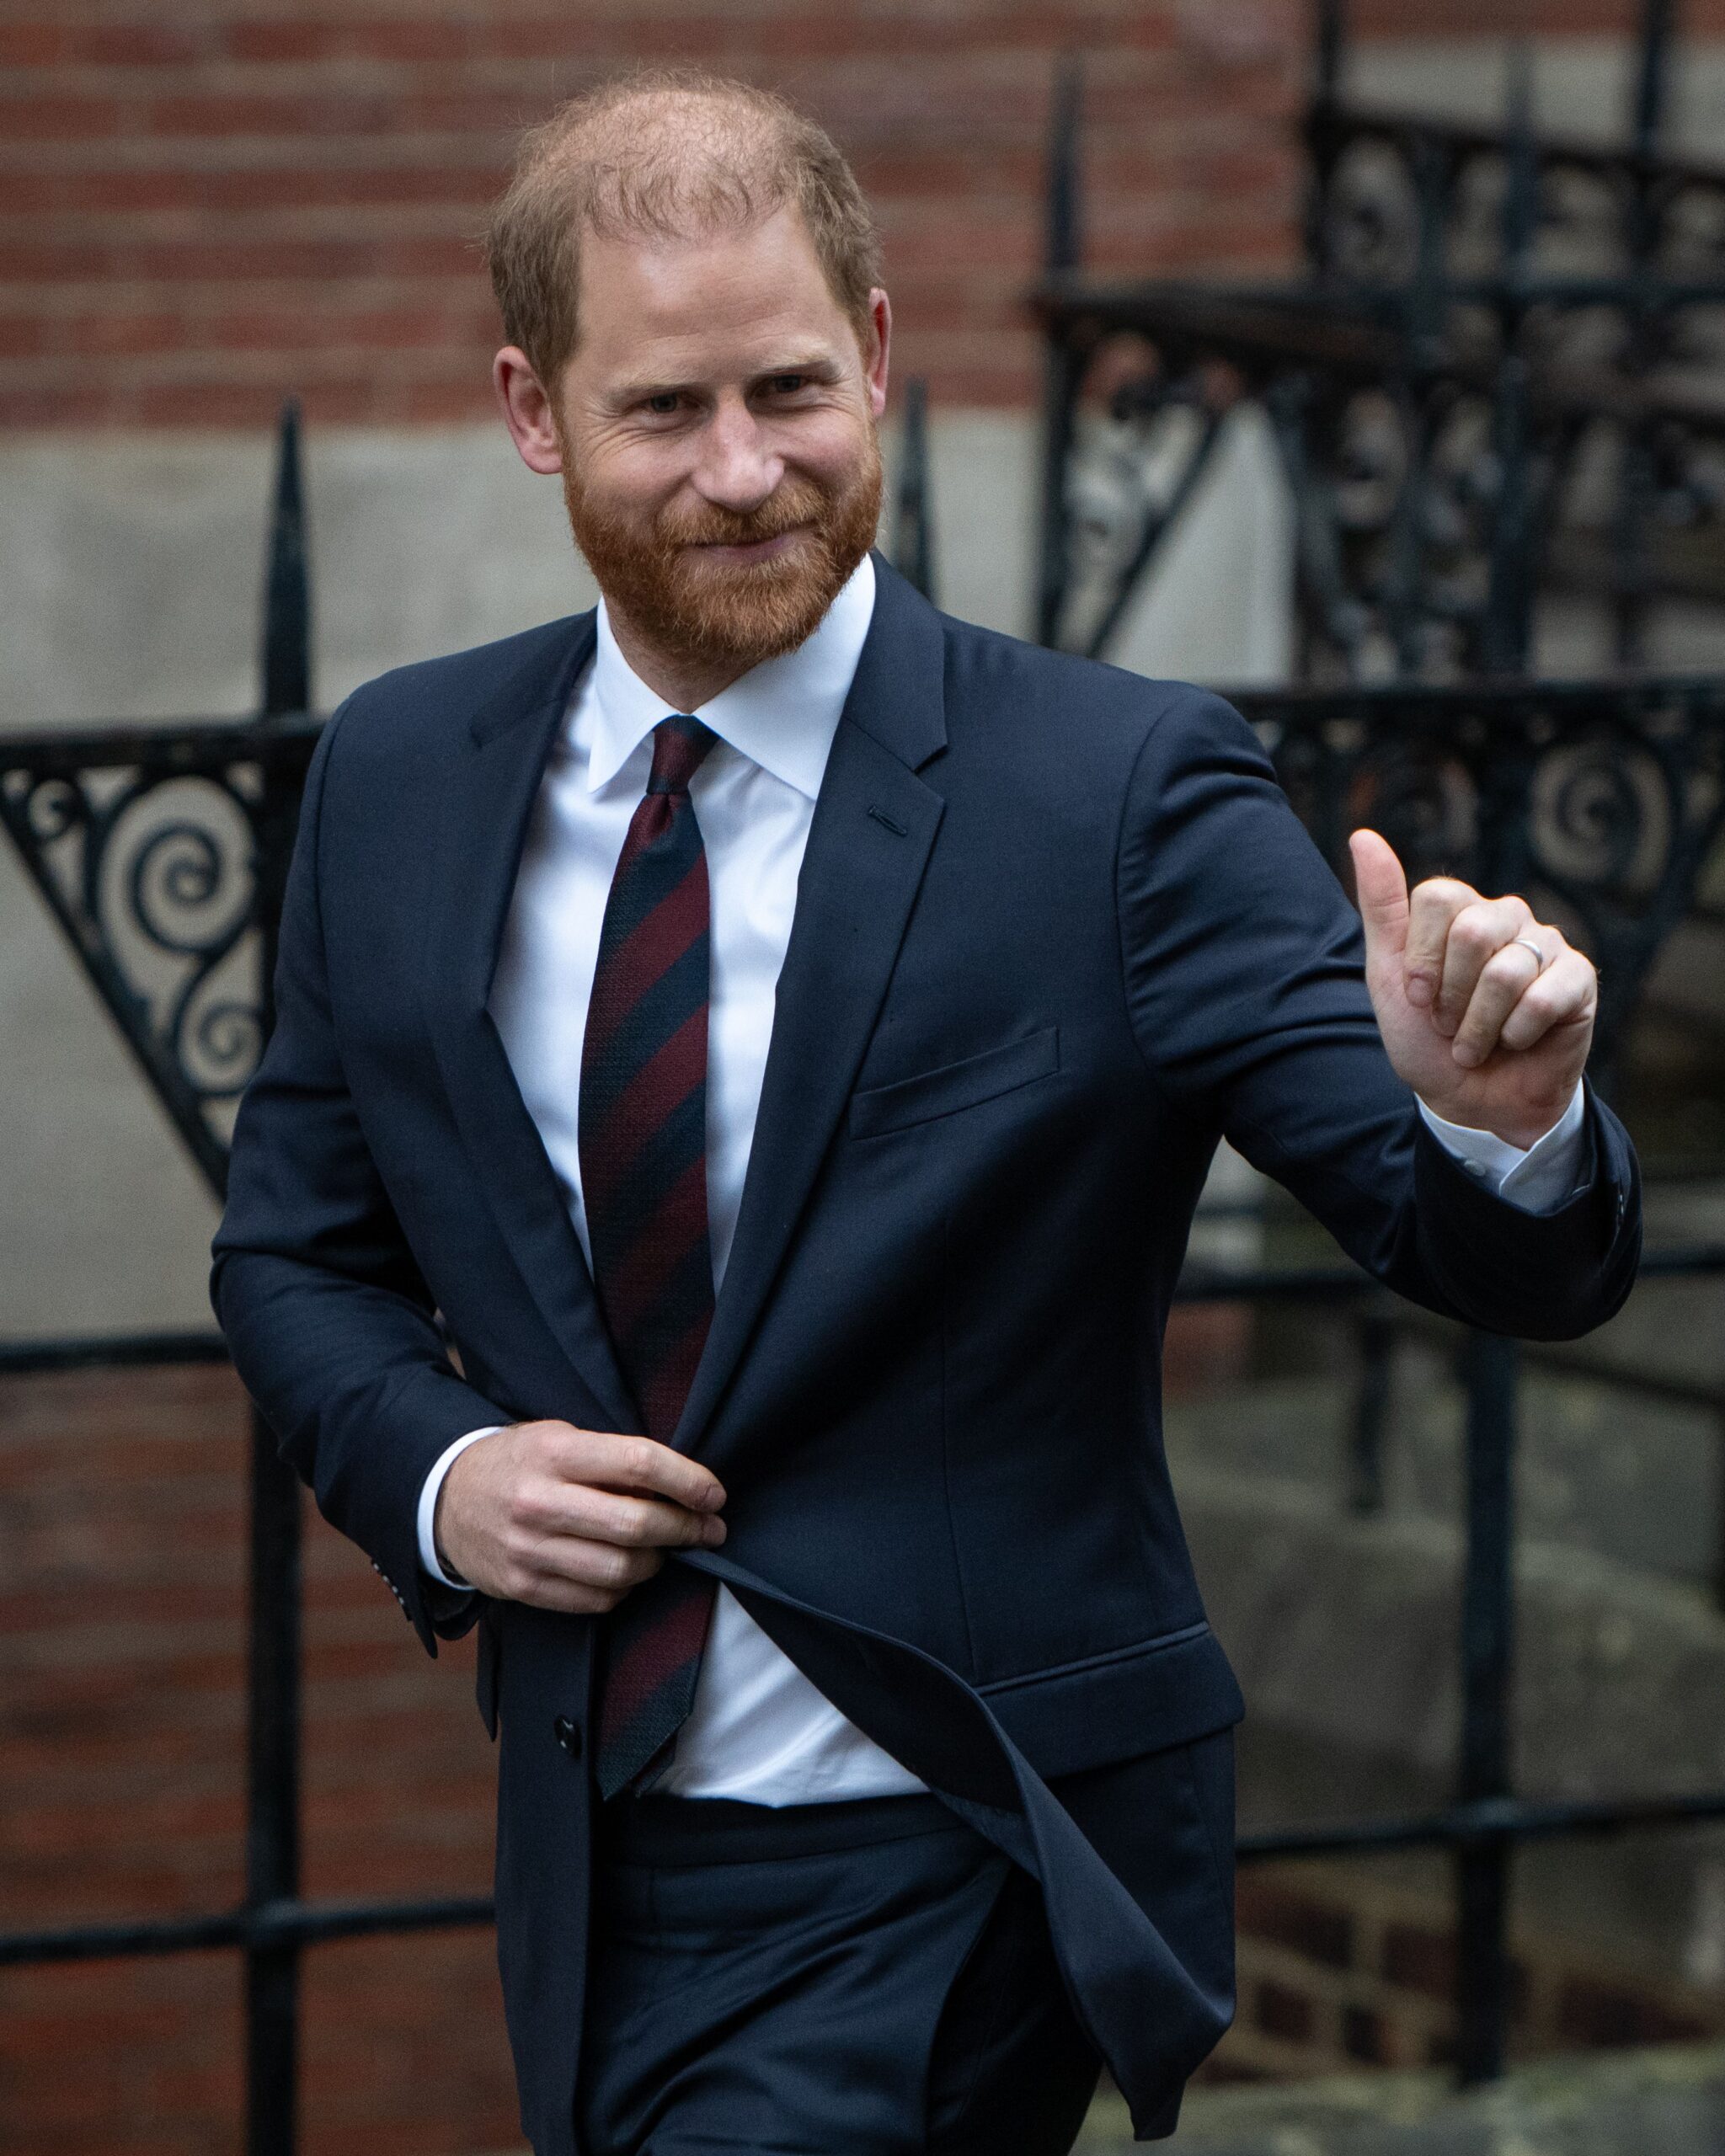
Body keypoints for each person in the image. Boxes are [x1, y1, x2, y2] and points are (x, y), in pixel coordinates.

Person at [210, 68, 1641, 2156]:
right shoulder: (405, 774)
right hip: (591, 1846)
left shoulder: (1118, 792)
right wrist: (444, 1475)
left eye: (792, 389)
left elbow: (1487, 1252)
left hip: (955, 1840)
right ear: (535, 413)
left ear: (878, 354)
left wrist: (1503, 1116)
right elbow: (293, 1253)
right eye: (663, 412)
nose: (744, 471)